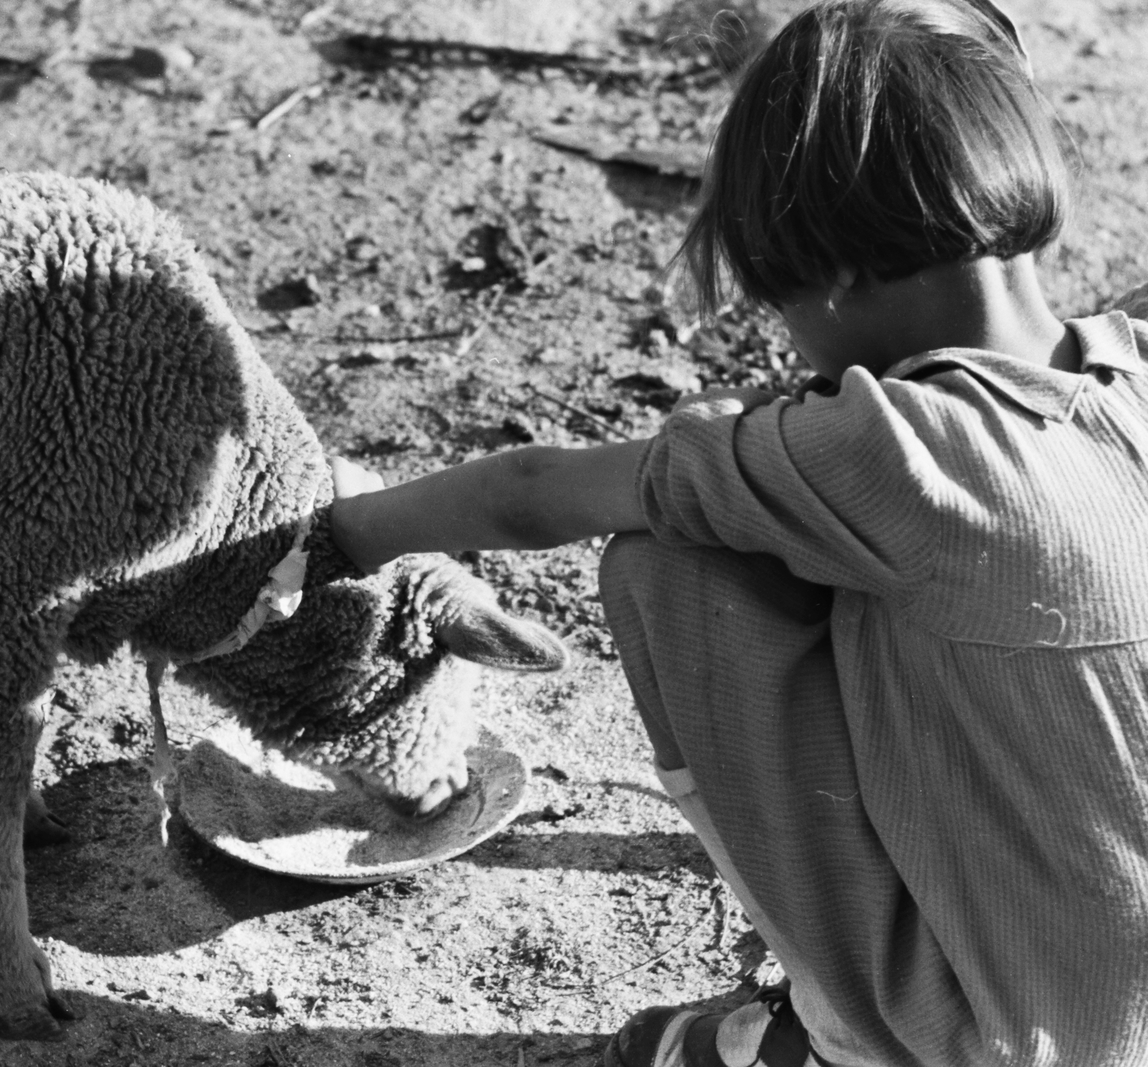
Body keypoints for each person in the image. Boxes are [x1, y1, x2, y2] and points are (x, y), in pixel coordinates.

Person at [328, 1, 1148, 1065]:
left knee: (676, 563)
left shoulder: (898, 451)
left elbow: (534, 490)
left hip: (1013, 1037)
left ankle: (845, 1031)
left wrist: (333, 534)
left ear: (834, 277)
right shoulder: (1126, 371)